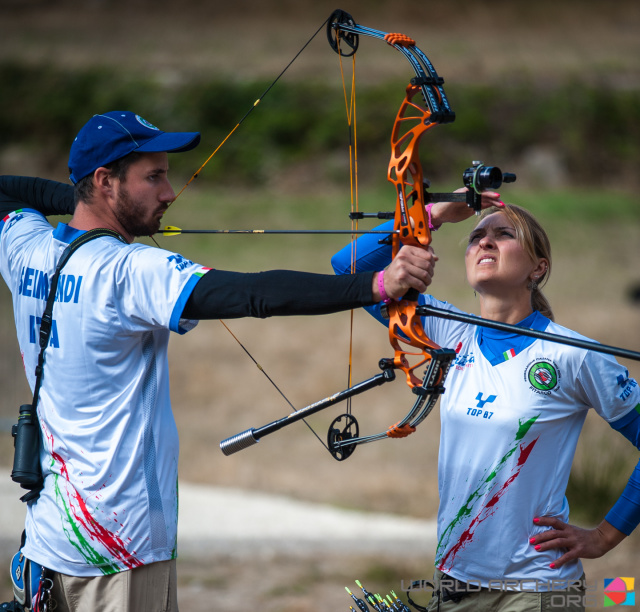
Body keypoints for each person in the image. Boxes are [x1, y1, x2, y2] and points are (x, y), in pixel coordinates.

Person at [0, 110, 438, 612]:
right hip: (117, 548)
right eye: (154, 177)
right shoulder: (127, 271)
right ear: (105, 181)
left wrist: (80, 201)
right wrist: (378, 284)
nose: (169, 192)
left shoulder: (25, 248)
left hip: (47, 539)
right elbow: (251, 294)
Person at [332, 195, 640, 611]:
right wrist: (431, 215)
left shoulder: (574, 355)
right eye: (476, 236)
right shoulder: (447, 331)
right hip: (455, 581)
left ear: (538, 268)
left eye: (503, 234)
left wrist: (604, 536)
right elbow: (349, 270)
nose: (485, 242)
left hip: (538, 587)